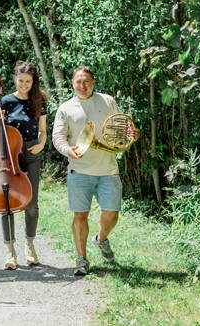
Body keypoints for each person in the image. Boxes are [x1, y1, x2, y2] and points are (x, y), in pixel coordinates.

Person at [52, 66, 137, 276]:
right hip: (79, 171)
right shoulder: (65, 108)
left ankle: (101, 238)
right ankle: (81, 260)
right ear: (73, 82)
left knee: (112, 214)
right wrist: (67, 150)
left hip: (108, 169)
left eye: (87, 81)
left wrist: (130, 133)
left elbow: (120, 126)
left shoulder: (107, 101)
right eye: (79, 81)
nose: (83, 85)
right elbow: (58, 136)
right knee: (80, 215)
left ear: (93, 82)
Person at [0, 61, 48, 269]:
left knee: (32, 203)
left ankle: (29, 245)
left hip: (32, 153)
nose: (24, 84)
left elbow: (42, 129)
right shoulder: (5, 101)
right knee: (7, 203)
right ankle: (10, 251)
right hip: (10, 155)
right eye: (21, 80)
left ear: (33, 81)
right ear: (15, 79)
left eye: (28, 81)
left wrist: (42, 143)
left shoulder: (38, 100)